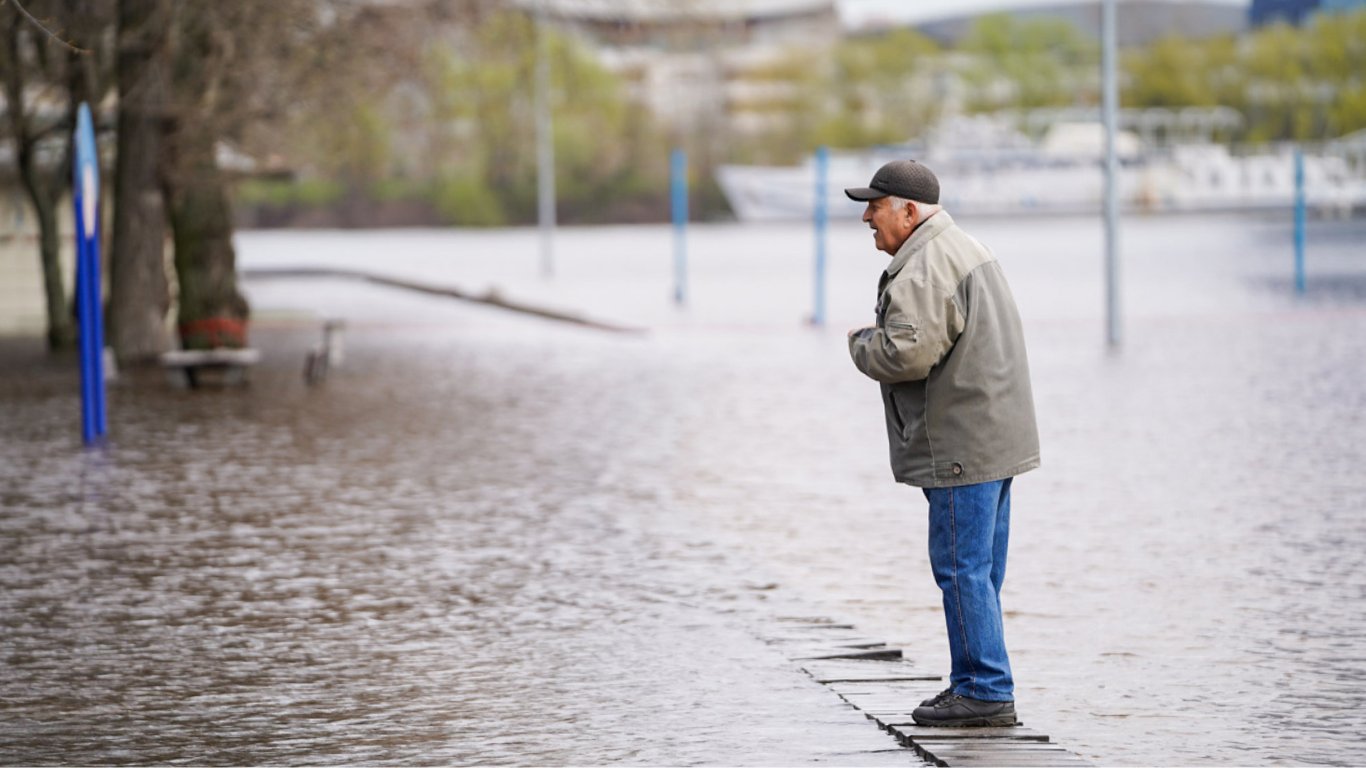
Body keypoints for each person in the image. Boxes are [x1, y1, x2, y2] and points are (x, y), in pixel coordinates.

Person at [844, 159, 1040, 728]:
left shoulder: (925, 266)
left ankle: (984, 689)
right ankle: (977, 683)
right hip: (995, 438)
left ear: (909, 211)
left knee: (960, 569)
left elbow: (906, 354)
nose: (866, 217)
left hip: (962, 444)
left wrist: (860, 343)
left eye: (875, 206)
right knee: (979, 571)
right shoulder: (963, 246)